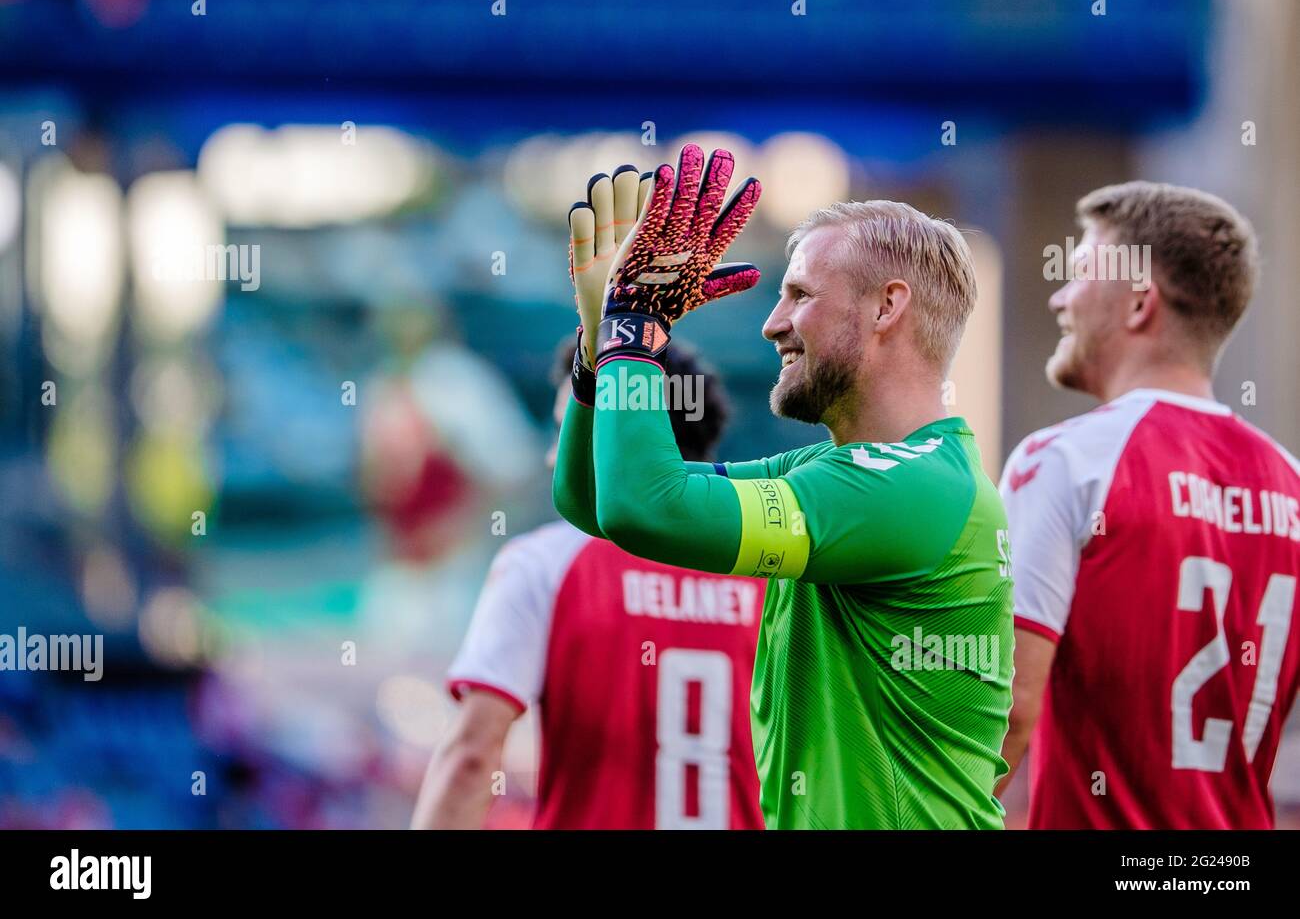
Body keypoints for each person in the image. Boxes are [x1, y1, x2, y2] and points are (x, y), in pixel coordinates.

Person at [554, 145, 1013, 829]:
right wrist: (602, 356)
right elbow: (596, 502)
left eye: (799, 295)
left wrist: (636, 332)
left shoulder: (905, 488)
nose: (773, 324)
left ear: (888, 307)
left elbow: (643, 507)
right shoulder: (849, 476)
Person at [997, 181, 1300, 828]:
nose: (1059, 296)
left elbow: (1005, 711)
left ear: (1139, 303)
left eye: (1079, 274)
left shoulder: (1064, 460)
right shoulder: (1292, 485)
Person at [412, 338, 766, 829]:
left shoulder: (544, 565)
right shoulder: (773, 576)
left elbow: (471, 757)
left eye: (566, 430)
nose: (551, 458)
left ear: (616, 437)